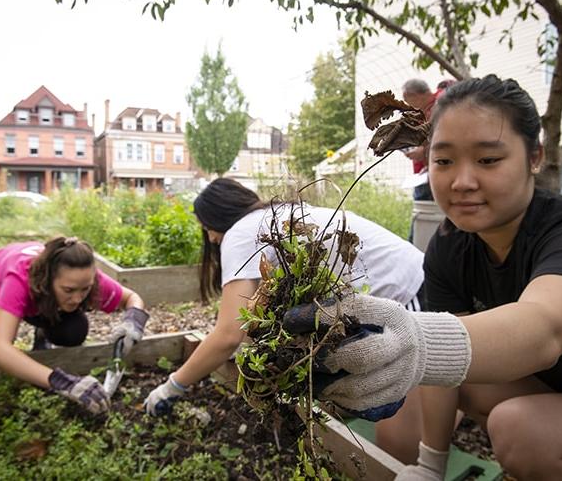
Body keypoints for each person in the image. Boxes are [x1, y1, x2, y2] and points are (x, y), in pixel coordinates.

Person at [281, 75, 562, 480]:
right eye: (444, 160)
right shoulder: (452, 245)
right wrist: (429, 466)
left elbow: (545, 329)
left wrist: (420, 340)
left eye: (488, 160)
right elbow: (448, 358)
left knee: (520, 429)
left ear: (535, 157)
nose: (462, 181)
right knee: (426, 385)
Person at [143, 178, 427, 459]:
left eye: (207, 229)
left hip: (405, 290)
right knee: (433, 385)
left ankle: (408, 462)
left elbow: (228, 335)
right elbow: (248, 317)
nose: (210, 239)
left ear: (216, 219)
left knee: (394, 428)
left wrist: (173, 386)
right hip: (414, 275)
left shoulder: (240, 233)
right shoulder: (269, 218)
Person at [0, 236, 149, 414]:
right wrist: (63, 382)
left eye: (85, 289)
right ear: (48, 280)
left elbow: (132, 297)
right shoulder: (19, 278)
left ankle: (42, 331)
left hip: (42, 299)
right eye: (69, 290)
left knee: (74, 332)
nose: (77, 299)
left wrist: (133, 321)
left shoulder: (84, 276)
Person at [402, 78, 455, 244]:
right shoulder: (428, 109)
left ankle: (419, 250)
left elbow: (447, 136)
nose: (408, 106)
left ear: (414, 95)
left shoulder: (441, 104)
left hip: (433, 175)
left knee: (424, 220)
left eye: (407, 101)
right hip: (426, 171)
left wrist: (424, 151)